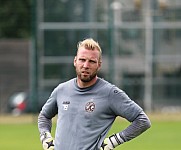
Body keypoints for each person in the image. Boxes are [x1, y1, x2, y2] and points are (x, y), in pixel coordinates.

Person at [38, 38, 151, 150]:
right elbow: (44, 116)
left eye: (92, 61)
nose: (86, 65)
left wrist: (113, 141)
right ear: (75, 61)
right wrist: (45, 137)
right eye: (82, 60)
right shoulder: (61, 90)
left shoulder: (110, 93)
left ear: (99, 65)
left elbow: (142, 120)